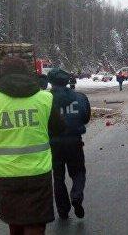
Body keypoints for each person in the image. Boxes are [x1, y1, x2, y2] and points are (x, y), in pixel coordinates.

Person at [0, 57, 65, 235]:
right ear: (28, 73)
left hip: (5, 173)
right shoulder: (45, 98)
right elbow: (59, 128)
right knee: (36, 222)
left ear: (2, 74)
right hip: (38, 171)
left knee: (15, 221)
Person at [47, 68, 91, 220]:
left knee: (58, 177)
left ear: (50, 81)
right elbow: (85, 118)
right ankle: (76, 196)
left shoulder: (45, 99)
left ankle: (63, 210)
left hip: (53, 144)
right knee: (78, 172)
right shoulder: (80, 97)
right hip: (74, 142)